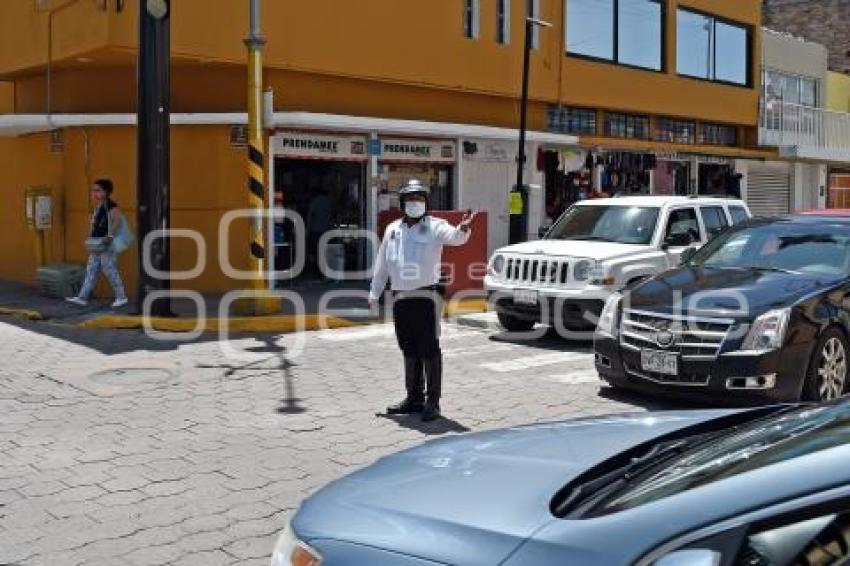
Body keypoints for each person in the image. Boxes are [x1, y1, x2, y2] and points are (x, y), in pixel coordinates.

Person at [369, 180, 476, 422]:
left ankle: (432, 402)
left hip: (426, 296)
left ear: (426, 203)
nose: (414, 203)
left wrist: (464, 229)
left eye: (419, 199)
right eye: (410, 199)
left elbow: (456, 237)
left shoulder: (435, 226)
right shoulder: (393, 229)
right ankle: (413, 399)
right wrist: (374, 293)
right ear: (402, 203)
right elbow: (382, 264)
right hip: (401, 297)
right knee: (408, 347)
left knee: (429, 348)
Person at [66, 179, 128, 308]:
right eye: (93, 190)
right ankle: (82, 297)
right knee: (91, 270)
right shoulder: (99, 206)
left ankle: (121, 297)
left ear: (106, 192)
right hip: (97, 243)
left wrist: (110, 236)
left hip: (106, 243)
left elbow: (117, 221)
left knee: (109, 269)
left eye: (98, 190)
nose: (94, 193)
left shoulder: (111, 205)